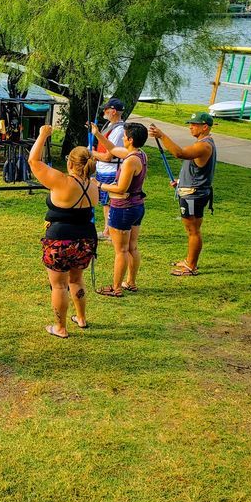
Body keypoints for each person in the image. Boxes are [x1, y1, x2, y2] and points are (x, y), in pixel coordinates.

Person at [29, 125, 100, 335]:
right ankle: (81, 318)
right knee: (76, 280)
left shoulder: (62, 181)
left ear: (70, 163)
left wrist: (42, 135)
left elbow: (34, 161)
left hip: (60, 240)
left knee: (59, 286)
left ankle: (60, 327)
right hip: (86, 240)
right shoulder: (93, 186)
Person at [148, 112, 217, 277]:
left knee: (193, 230)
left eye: (194, 124)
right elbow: (197, 170)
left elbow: (179, 153)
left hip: (193, 195)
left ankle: (191, 266)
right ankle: (189, 261)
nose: (190, 127)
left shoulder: (204, 146)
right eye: (190, 124)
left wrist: (162, 136)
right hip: (192, 191)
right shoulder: (203, 143)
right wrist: (181, 181)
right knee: (192, 229)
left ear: (205, 127)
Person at [89, 121, 149, 297]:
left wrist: (99, 185)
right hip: (137, 206)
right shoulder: (140, 155)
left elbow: (121, 188)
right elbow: (113, 149)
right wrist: (98, 134)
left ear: (130, 140)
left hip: (123, 208)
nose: (122, 138)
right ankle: (130, 282)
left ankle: (116, 288)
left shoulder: (130, 161)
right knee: (132, 247)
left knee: (121, 250)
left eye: (124, 136)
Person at [91, 98, 127, 240]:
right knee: (105, 203)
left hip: (111, 170)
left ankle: (111, 231)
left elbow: (107, 156)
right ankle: (107, 230)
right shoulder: (109, 125)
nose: (104, 112)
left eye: (106, 109)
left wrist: (91, 153)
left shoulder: (119, 130)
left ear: (113, 111)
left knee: (110, 202)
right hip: (102, 169)